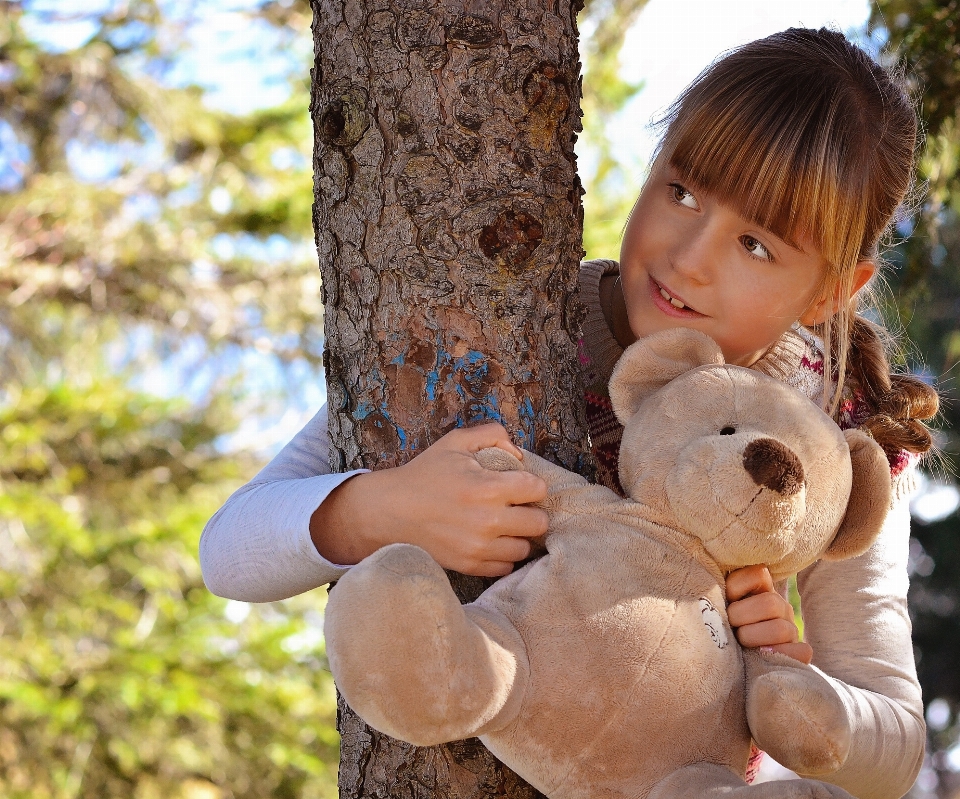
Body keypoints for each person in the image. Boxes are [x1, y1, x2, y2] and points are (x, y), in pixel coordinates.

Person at [200, 27, 938, 799]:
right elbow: (228, 548)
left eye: (756, 244)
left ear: (831, 291)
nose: (689, 256)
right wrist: (380, 508)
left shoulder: (828, 442)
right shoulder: (519, 315)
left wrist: (803, 680)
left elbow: (896, 746)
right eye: (682, 191)